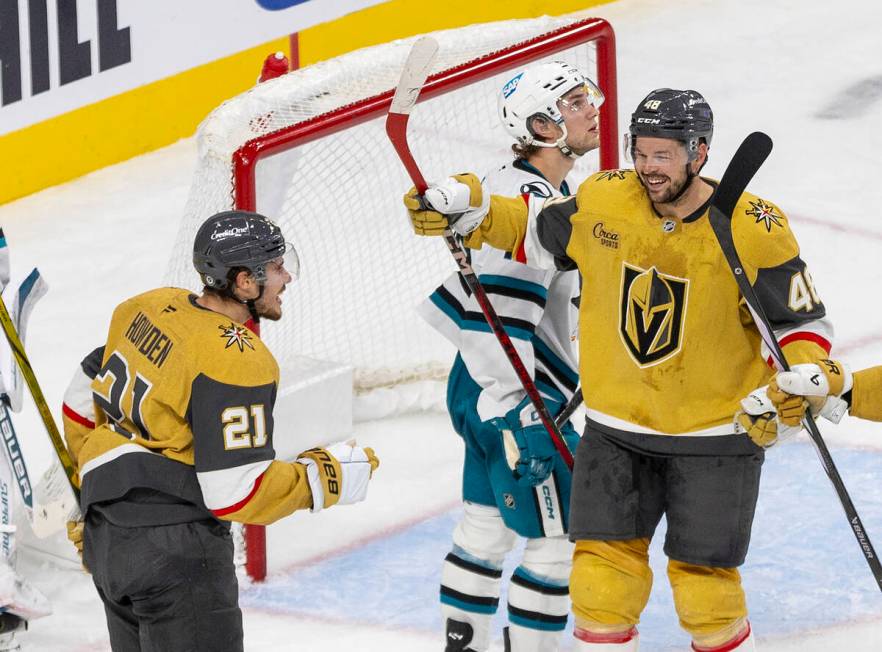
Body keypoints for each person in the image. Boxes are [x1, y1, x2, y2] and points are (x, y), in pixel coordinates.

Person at [404, 89, 835, 651]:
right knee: (599, 586)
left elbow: (800, 322)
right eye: (641, 152)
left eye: (663, 156)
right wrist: (474, 212)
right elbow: (532, 230)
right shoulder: (607, 198)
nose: (648, 168)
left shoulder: (753, 225)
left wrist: (806, 376)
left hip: (712, 436)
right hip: (616, 431)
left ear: (699, 152)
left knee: (707, 596)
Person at [62, 210, 379, 652]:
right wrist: (323, 477)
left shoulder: (146, 307)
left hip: (108, 540)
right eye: (275, 267)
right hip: (177, 556)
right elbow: (235, 493)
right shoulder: (236, 357)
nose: (286, 276)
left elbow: (80, 398)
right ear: (245, 282)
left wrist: (96, 493)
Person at [418, 61, 601, 652]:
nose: (591, 108)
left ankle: (462, 645)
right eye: (574, 103)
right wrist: (523, 407)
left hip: (474, 385)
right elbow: (498, 316)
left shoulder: (513, 181)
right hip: (513, 390)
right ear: (543, 125)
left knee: (486, 527)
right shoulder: (532, 198)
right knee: (558, 544)